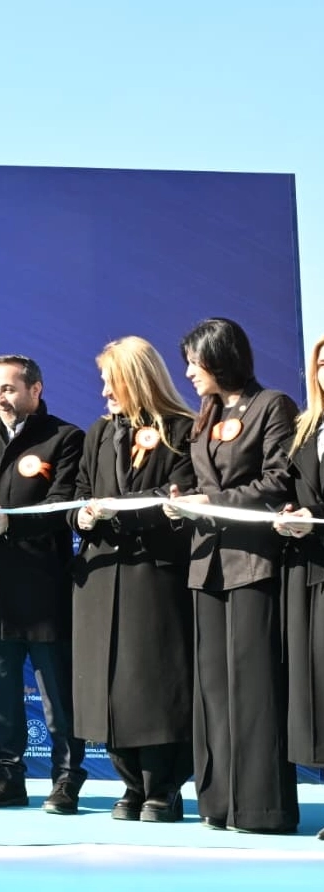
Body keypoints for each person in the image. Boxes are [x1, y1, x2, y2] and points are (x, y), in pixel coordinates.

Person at [165, 317, 298, 833]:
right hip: (206, 566)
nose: (188, 373)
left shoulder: (272, 406)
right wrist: (184, 504)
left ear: (219, 358)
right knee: (214, 691)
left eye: (194, 362)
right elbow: (201, 482)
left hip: (252, 563)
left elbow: (278, 480)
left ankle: (261, 808)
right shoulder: (206, 415)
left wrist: (212, 502)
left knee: (253, 687)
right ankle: (218, 802)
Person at [71, 337, 196, 823]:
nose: (104, 391)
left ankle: (163, 786)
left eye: (112, 381)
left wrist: (121, 510)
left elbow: (180, 495)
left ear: (139, 381)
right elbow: (80, 491)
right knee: (109, 687)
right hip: (101, 577)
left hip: (155, 576)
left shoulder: (182, 430)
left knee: (155, 683)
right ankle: (130, 784)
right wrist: (82, 516)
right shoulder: (100, 432)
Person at [0, 355, 86, 814]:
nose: (1, 398)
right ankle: (8, 778)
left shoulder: (65, 438)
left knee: (59, 701)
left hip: (45, 589)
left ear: (36, 389)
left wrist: (10, 525)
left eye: (10, 389)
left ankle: (66, 780)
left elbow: (63, 506)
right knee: (1, 700)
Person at [276, 331, 324, 841]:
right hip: (307, 573)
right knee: (317, 687)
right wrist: (289, 516)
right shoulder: (304, 429)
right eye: (323, 361)